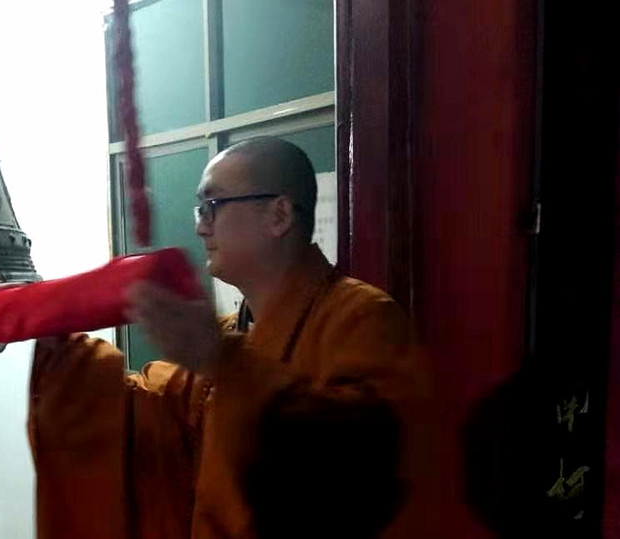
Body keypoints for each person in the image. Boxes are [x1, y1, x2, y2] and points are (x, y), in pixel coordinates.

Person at [29, 137, 420, 538]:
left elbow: (352, 470)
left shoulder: (364, 318)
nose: (200, 227)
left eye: (212, 206)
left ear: (279, 215)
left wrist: (223, 361)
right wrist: (65, 357)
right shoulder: (234, 331)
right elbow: (145, 418)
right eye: (200, 210)